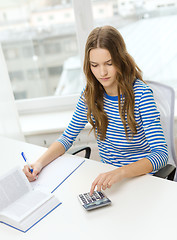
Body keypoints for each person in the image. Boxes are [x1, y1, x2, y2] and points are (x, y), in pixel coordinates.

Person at [23, 25, 168, 195]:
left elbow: (161, 154)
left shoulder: (141, 95)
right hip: (109, 181)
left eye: (109, 63)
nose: (102, 72)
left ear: (120, 60)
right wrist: (38, 164)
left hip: (139, 179)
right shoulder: (91, 95)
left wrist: (120, 172)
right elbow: (67, 138)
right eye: (95, 65)